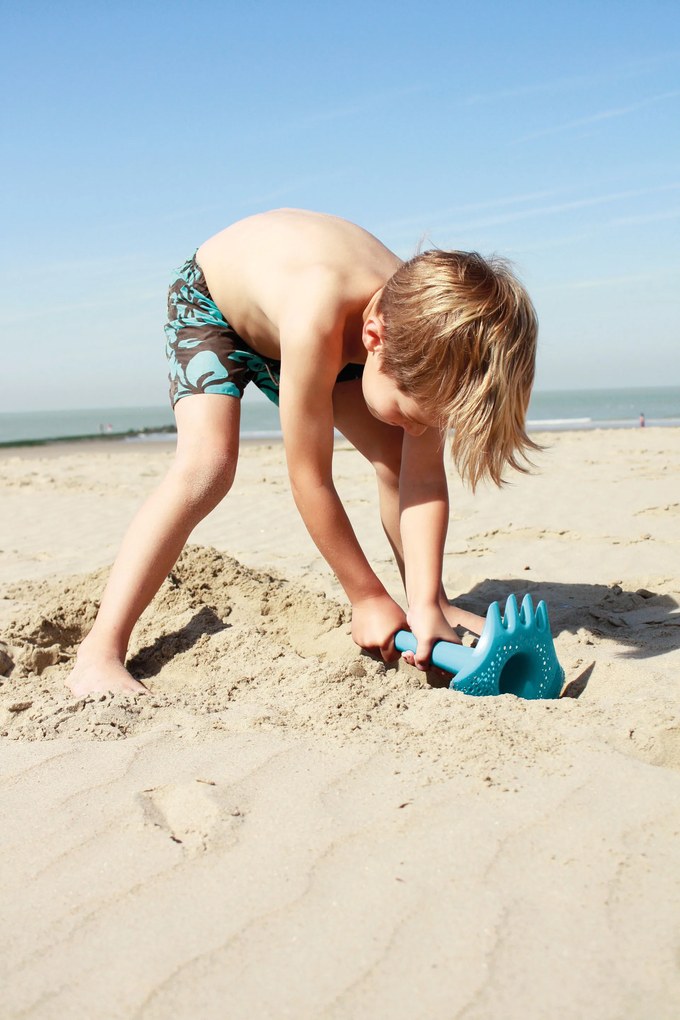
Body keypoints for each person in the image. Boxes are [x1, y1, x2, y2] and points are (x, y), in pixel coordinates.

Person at [67, 209, 538, 696]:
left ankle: (431, 602)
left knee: (399, 463)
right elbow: (310, 479)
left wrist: (421, 603)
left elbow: (421, 482)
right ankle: (101, 648)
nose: (421, 429)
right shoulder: (322, 315)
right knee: (207, 468)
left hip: (325, 326)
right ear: (375, 342)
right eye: (415, 413)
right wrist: (366, 596)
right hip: (214, 305)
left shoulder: (428, 334)